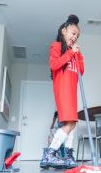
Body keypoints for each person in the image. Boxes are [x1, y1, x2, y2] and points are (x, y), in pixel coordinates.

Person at [40, 14, 84, 169]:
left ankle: (69, 155)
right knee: (71, 122)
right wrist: (71, 53)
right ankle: (50, 153)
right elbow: (54, 64)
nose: (75, 37)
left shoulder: (75, 52)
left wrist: (77, 55)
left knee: (71, 123)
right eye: (73, 33)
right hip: (63, 90)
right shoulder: (57, 46)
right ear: (64, 31)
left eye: (77, 36)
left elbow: (81, 71)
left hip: (71, 91)